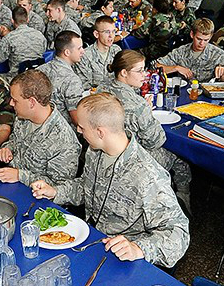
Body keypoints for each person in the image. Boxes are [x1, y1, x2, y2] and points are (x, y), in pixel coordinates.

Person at [30, 93, 189, 268]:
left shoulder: (147, 176)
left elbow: (179, 233)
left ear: (100, 132)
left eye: (82, 127)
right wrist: (56, 191)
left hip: (122, 259)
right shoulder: (95, 150)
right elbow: (87, 186)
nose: (78, 131)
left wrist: (138, 249)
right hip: (93, 241)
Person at [99, 50, 192, 209]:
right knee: (179, 152)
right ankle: (182, 194)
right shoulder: (137, 105)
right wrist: (146, 111)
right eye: (140, 70)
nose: (145, 75)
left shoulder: (103, 88)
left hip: (103, 151)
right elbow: (156, 140)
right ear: (123, 73)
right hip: (132, 159)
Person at [0, 70, 81, 187]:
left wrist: (20, 176)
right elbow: (15, 140)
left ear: (32, 102)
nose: (11, 103)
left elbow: (59, 186)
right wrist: (7, 149)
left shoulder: (64, 140)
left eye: (15, 100)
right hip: (9, 183)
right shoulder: (23, 116)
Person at [156, 18, 224, 81]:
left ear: (211, 37)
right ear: (192, 34)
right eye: (199, 39)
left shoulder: (219, 55)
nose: (202, 43)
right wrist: (176, 68)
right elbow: (156, 66)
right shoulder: (180, 52)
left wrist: (223, 74)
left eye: (206, 40)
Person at [35, 30, 85, 124]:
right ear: (67, 52)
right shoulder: (72, 80)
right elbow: (77, 119)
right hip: (63, 129)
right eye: (79, 48)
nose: (83, 51)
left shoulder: (39, 70)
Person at [0, 6, 46, 75]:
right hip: (37, 76)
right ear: (27, 19)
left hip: (16, 78)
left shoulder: (9, 38)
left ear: (12, 20)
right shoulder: (40, 35)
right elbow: (43, 51)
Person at [76, 15, 122, 90]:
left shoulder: (116, 50)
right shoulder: (85, 56)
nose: (111, 36)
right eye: (107, 32)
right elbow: (84, 86)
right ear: (96, 34)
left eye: (113, 31)